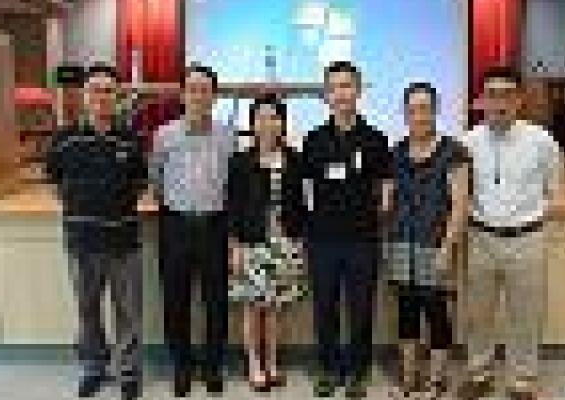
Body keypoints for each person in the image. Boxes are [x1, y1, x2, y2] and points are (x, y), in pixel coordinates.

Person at [45, 64, 147, 400]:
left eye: (108, 90)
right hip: (82, 242)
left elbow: (140, 183)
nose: (102, 96)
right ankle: (94, 368)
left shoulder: (131, 139)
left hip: (124, 241)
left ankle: (128, 371)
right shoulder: (64, 139)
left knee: (128, 312)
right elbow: (54, 184)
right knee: (87, 310)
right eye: (95, 90)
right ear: (85, 96)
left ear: (118, 96)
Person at [458, 66, 561, 400]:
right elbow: (460, 191)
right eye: (492, 95)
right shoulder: (467, 142)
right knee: (478, 313)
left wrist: (528, 220)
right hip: (481, 238)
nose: (499, 103)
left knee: (526, 314)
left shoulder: (541, 141)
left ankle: (522, 380)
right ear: (481, 100)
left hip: (527, 239)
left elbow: (552, 188)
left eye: (507, 95)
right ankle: (479, 373)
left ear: (519, 100)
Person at [302, 61, 391, 399]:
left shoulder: (375, 139)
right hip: (322, 240)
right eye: (335, 87)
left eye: (347, 86)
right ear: (326, 95)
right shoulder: (313, 139)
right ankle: (327, 369)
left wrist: (378, 216)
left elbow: (385, 187)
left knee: (361, 309)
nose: (341, 93)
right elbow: (307, 189)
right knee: (324, 308)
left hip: (362, 240)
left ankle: (358, 371)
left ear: (358, 90)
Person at [150, 63, 236, 397]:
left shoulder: (228, 136)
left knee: (216, 301)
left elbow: (233, 183)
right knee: (176, 300)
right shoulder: (164, 135)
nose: (199, 96)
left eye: (205, 90)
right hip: (175, 225)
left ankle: (212, 366)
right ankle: (182, 366)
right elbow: (156, 179)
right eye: (192, 89)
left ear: (214, 96)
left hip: (215, 226)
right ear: (182, 95)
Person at [383, 82, 470, 399]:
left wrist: (447, 248)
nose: (419, 116)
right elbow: (387, 201)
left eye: (425, 109)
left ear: (436, 110)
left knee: (436, 314)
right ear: (405, 113)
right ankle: (409, 379)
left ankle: (436, 380)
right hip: (400, 244)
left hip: (435, 245)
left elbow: (460, 205)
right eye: (413, 110)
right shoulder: (396, 152)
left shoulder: (453, 152)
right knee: (406, 313)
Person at [227, 95, 306, 392]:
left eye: (274, 117)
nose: (267, 123)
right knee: (252, 308)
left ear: (282, 123)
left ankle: (272, 362)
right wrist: (234, 247)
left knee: (274, 308)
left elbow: (302, 202)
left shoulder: (294, 159)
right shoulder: (240, 161)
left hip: (284, 243)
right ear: (252, 123)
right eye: (260, 117)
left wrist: (299, 239)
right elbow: (233, 207)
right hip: (251, 243)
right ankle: (254, 364)